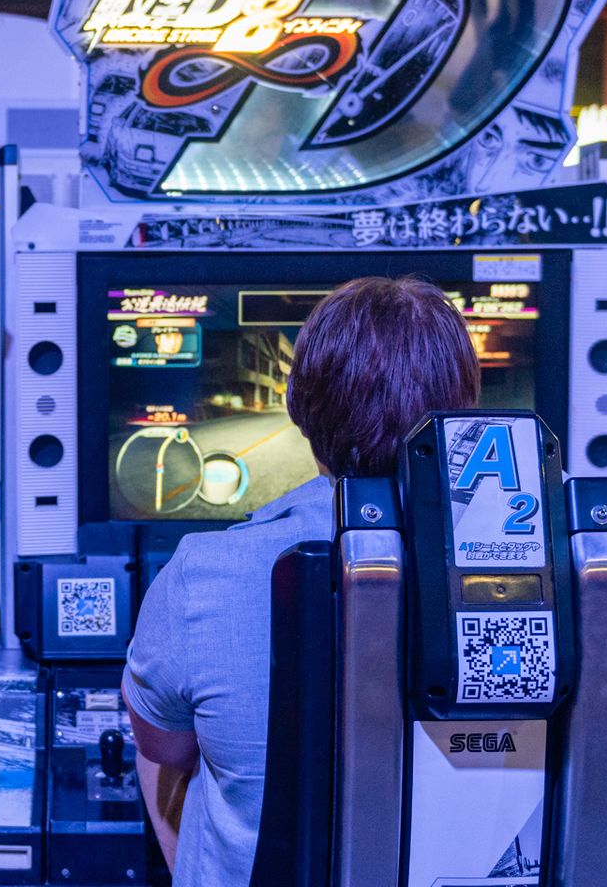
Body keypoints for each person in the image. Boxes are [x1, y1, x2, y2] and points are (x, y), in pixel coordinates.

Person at [122, 277, 481, 884]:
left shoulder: (202, 574)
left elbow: (165, 750)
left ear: (298, 407)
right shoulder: (551, 574)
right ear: (465, 412)